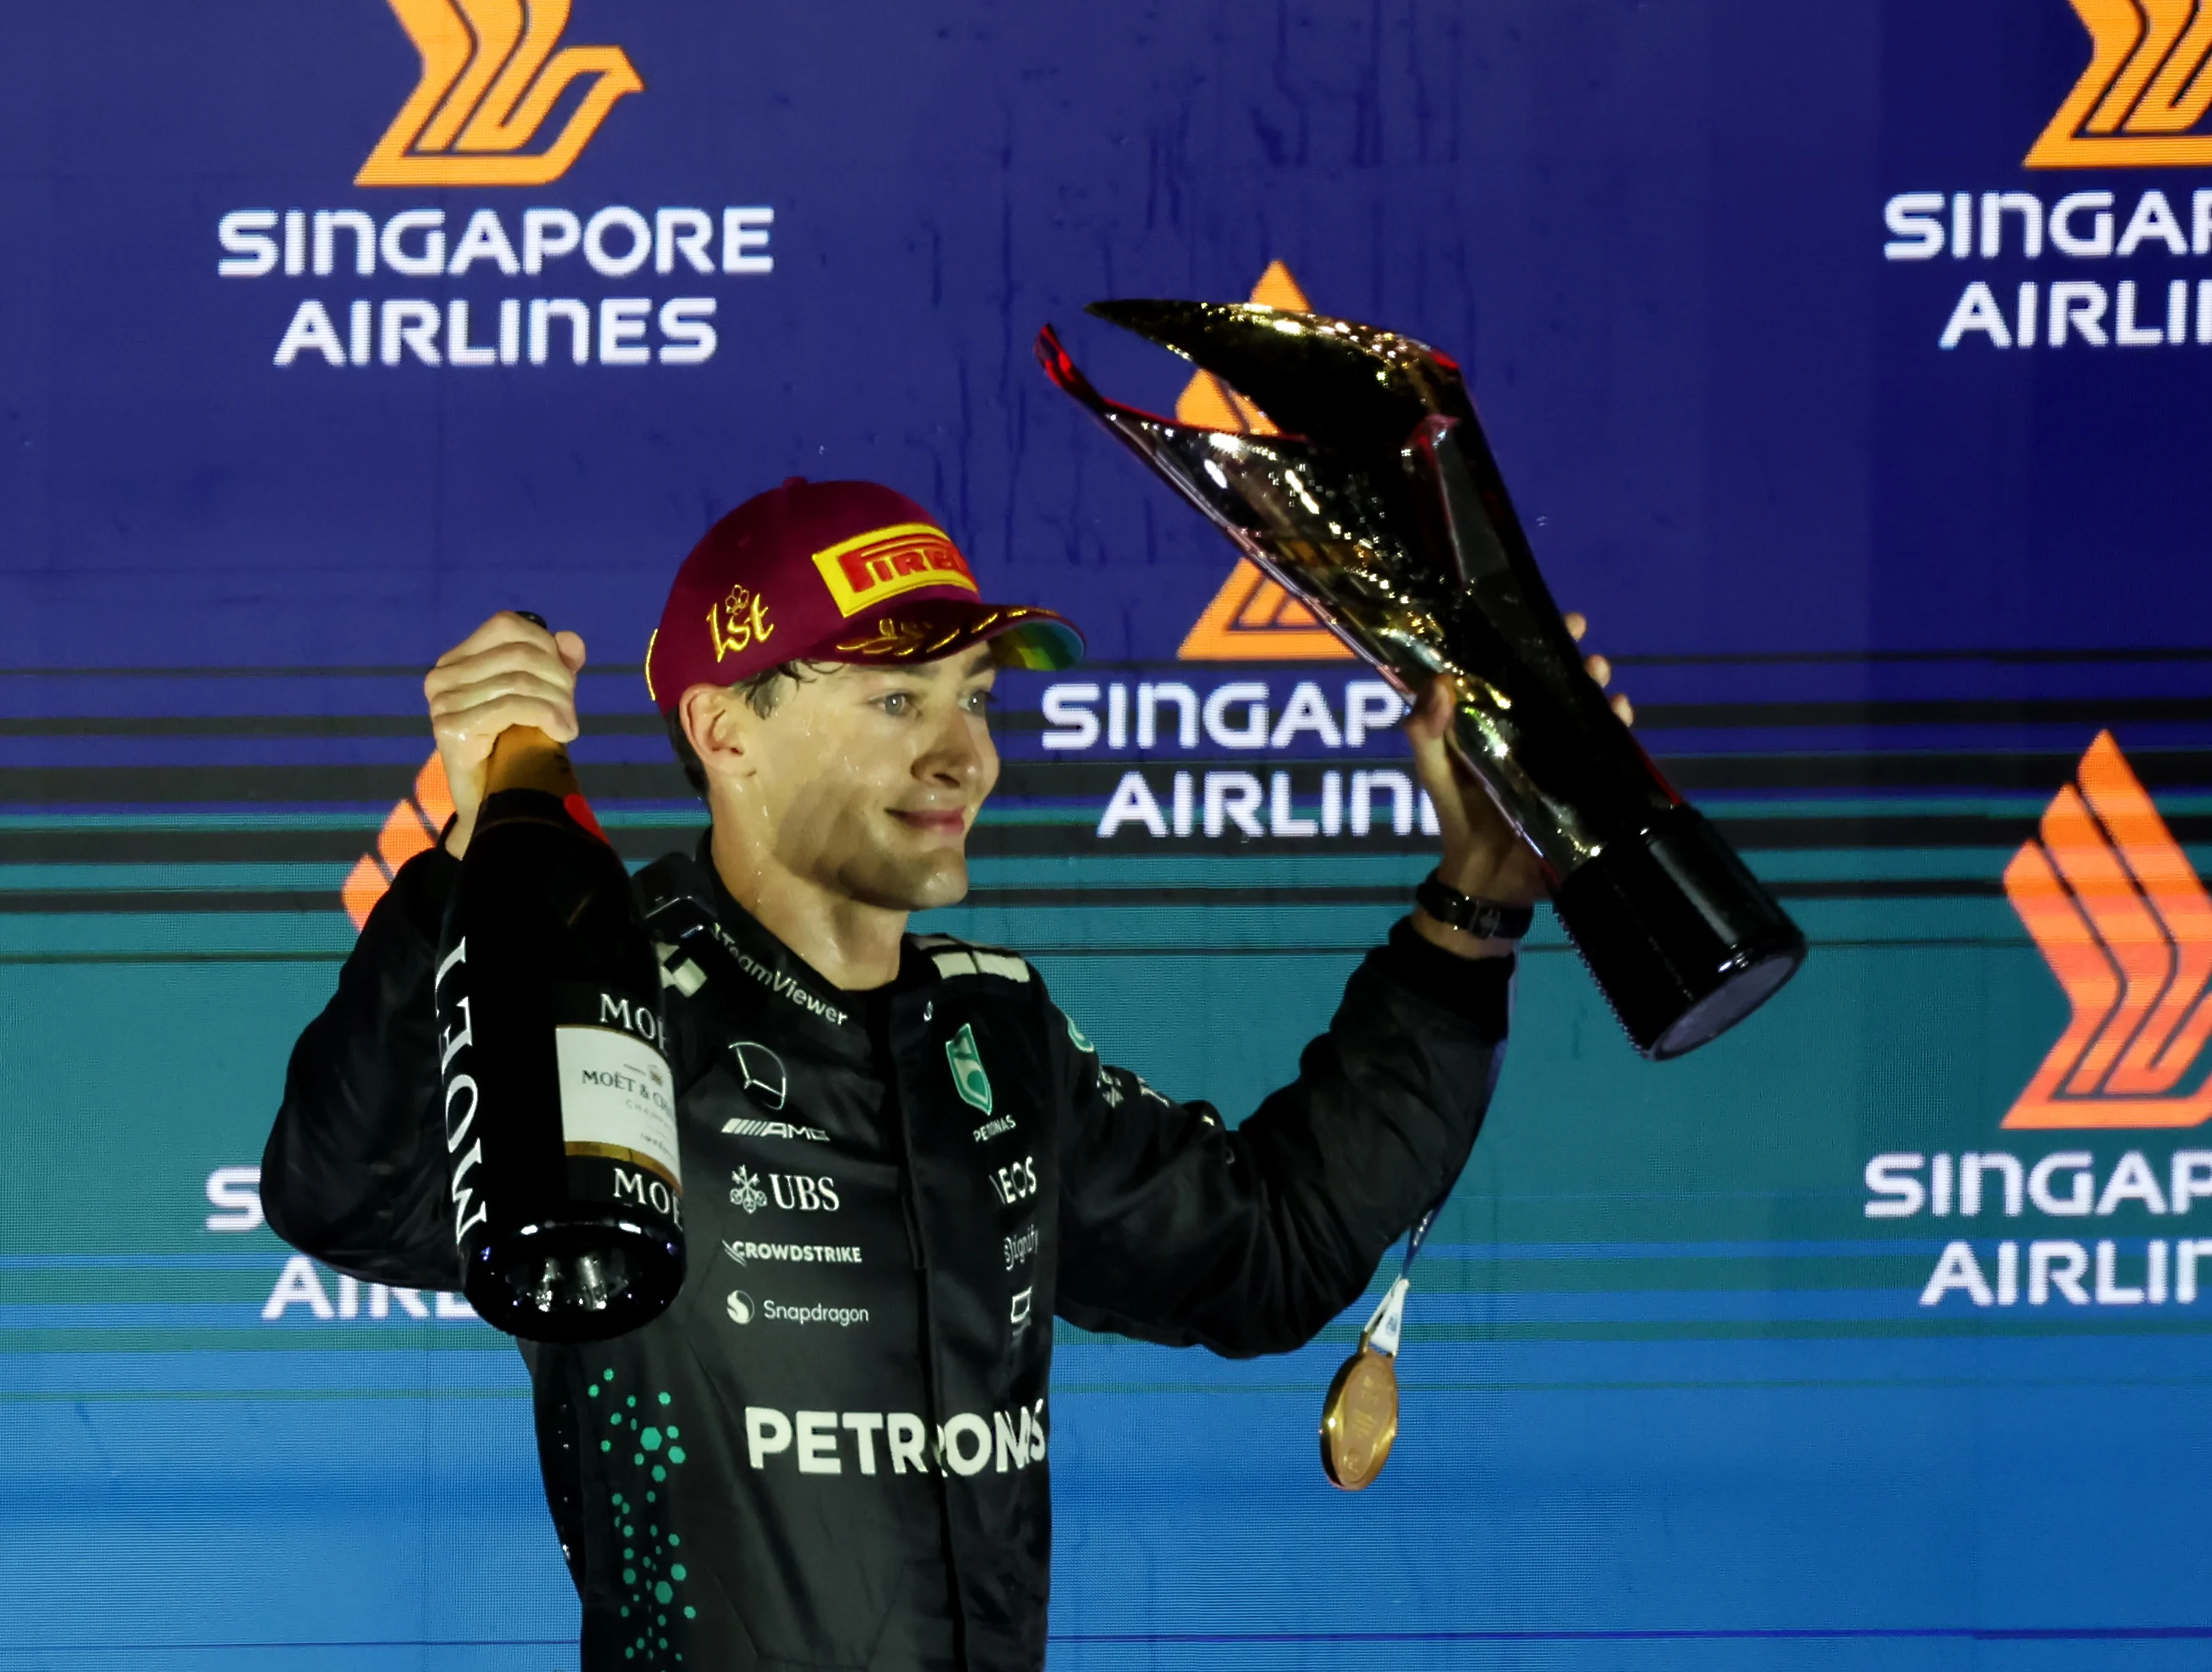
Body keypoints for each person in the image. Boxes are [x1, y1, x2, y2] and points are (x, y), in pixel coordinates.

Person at [264, 477, 1622, 1671]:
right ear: (726, 728)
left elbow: (1272, 1249)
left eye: (974, 694)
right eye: (897, 696)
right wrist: (470, 835)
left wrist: (1476, 905)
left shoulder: (996, 1031)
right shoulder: (611, 991)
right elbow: (351, 1194)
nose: (964, 750)